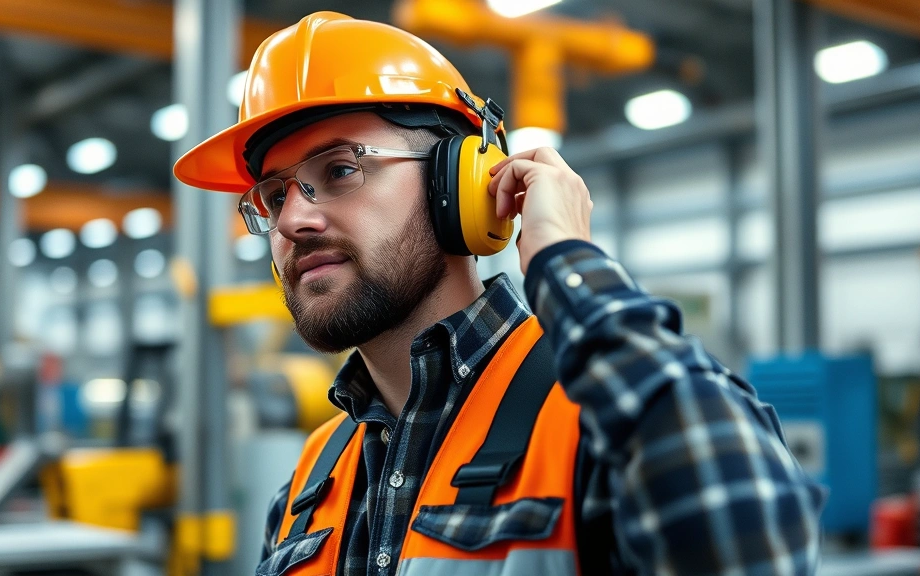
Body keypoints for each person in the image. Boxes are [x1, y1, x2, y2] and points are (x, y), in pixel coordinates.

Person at [174, 11, 825, 576]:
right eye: (275, 195)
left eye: (340, 170)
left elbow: (749, 541)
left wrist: (564, 259)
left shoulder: (591, 422)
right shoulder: (310, 482)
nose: (292, 221)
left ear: (459, 182)